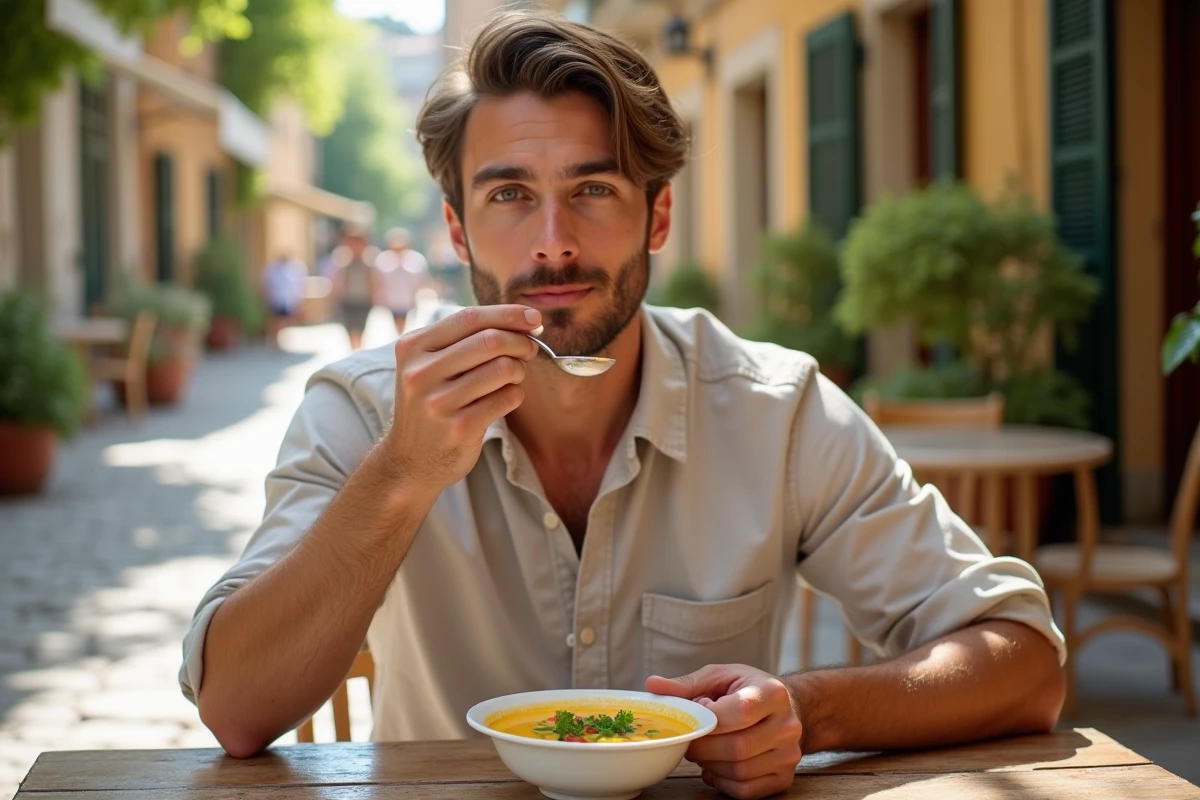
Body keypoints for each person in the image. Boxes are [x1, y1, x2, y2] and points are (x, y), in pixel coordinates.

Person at [183, 12, 1065, 799]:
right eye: (510, 195)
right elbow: (236, 710)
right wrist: (402, 475)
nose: (554, 241)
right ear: (457, 229)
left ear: (658, 215)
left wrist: (807, 711)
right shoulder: (368, 411)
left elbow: (1024, 664)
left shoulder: (776, 410)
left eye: (594, 190)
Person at [328, 225, 380, 350]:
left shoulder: (369, 260)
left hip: (363, 300)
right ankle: (354, 351)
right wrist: (334, 298)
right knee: (350, 330)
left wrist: (375, 297)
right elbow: (337, 281)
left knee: (360, 330)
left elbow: (373, 281)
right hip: (348, 300)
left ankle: (357, 351)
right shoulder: (342, 260)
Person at [375, 227, 434, 334]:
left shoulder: (416, 260)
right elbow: (379, 280)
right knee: (397, 325)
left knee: (408, 325)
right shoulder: (383, 260)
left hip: (408, 300)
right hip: (392, 300)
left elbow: (422, 279)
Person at [259, 253, 307, 348]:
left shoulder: (293, 269)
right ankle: (274, 340)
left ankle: (281, 340)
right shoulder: (272, 269)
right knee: (275, 321)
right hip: (275, 300)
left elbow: (296, 287)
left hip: (285, 300)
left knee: (284, 321)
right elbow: (266, 284)